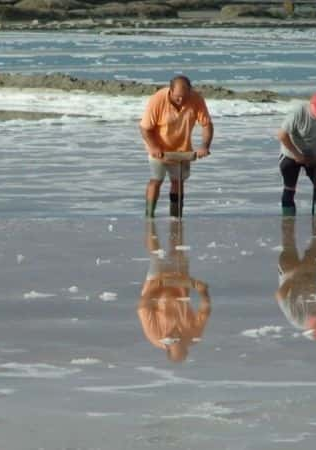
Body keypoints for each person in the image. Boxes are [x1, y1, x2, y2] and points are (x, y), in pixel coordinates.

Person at [140, 75, 213, 218]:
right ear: (171, 91)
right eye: (178, 97)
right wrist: (154, 147)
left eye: (185, 96)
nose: (181, 100)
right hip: (157, 147)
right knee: (156, 179)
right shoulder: (158, 99)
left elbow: (207, 125)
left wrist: (205, 145)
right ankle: (149, 216)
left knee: (178, 182)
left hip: (182, 148)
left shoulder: (196, 99)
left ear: (190, 91)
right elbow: (144, 129)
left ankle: (175, 217)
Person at [137, 220, 211, 363]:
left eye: (173, 341)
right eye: (180, 342)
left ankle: (149, 222)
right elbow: (205, 311)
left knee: (156, 255)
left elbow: (143, 303)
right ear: (186, 346)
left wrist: (162, 282)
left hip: (155, 286)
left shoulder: (154, 335)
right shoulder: (193, 336)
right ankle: (176, 216)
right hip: (181, 286)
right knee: (178, 248)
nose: (176, 337)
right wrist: (203, 293)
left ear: (167, 346)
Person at [277, 92, 316, 216]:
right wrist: (296, 154)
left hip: (313, 154)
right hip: (290, 153)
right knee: (289, 188)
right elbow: (281, 135)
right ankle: (288, 224)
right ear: (311, 104)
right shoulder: (299, 112)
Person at [275, 216, 316, 340]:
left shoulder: (297, 318)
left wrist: (290, 277)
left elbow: (279, 295)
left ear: (309, 327)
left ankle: (288, 212)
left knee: (289, 242)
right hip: (310, 272)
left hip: (290, 272)